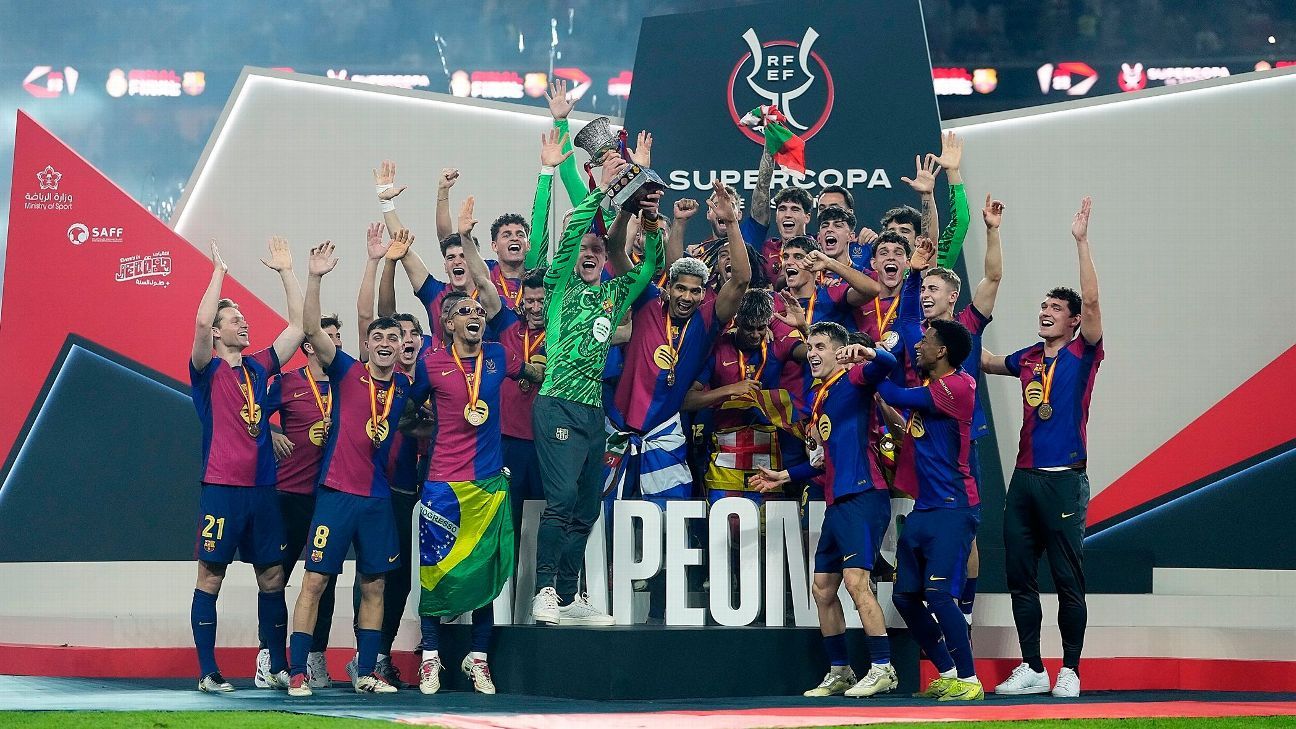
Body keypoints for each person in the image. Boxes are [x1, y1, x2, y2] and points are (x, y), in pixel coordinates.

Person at [286, 241, 430, 697]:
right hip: (336, 493)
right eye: (378, 339)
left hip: (377, 499)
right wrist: (315, 277)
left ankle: (366, 669)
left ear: (403, 346)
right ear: (367, 344)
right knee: (315, 580)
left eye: (394, 339)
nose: (386, 344)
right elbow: (312, 327)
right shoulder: (348, 372)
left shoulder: (405, 387)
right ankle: (297, 671)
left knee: (374, 584)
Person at [530, 145, 661, 626]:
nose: (589, 254)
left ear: (606, 257)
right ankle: (544, 591)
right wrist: (599, 191)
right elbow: (566, 234)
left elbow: (648, 268)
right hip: (557, 404)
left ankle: (569, 597)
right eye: (584, 249)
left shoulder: (612, 294)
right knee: (561, 501)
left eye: (597, 250)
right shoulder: (560, 286)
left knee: (587, 508)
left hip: (592, 412)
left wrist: (650, 224)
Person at [986, 197, 1103, 699]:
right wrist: (952, 323)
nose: (1046, 312)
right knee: (1020, 576)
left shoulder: (1084, 351)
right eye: (1043, 306)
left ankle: (1070, 669)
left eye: (1056, 308)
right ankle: (1033, 666)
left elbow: (1092, 303)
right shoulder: (1030, 357)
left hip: (1064, 480)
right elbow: (986, 361)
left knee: (1067, 579)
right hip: (1024, 480)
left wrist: (1081, 241)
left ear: (1074, 321)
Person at [751, 323, 899, 698]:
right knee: (822, 589)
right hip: (837, 500)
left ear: (839, 351)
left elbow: (888, 364)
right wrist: (783, 476)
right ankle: (840, 671)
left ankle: (883, 668)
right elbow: (822, 464)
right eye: (809, 347)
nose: (812, 354)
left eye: (820, 347)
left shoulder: (854, 381)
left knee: (856, 582)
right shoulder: (821, 398)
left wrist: (869, 353)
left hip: (863, 495)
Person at [415, 291, 545, 695]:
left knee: (484, 575)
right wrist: (428, 428)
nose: (475, 315)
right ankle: (430, 656)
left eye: (478, 311)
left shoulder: (499, 356)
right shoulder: (431, 364)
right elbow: (404, 408)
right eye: (463, 311)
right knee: (436, 572)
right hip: (443, 484)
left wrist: (548, 368)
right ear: (448, 324)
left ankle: (479, 658)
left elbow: (533, 373)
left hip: (487, 484)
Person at [189, 237, 304, 693]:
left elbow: (298, 327)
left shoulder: (258, 367)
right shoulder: (206, 370)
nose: (244, 322)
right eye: (235, 319)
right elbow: (201, 321)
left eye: (243, 318)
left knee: (273, 576)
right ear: (218, 333)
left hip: (262, 491)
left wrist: (287, 271)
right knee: (211, 576)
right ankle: (207, 672)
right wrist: (219, 272)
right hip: (222, 488)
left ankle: (276, 665)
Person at [893, 196, 1005, 626]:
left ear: (953, 296)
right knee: (922, 518)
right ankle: (930, 596)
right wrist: (914, 273)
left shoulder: (967, 328)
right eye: (924, 290)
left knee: (962, 530)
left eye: (933, 289)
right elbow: (905, 311)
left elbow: (993, 277)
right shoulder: (914, 334)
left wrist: (992, 232)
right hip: (919, 439)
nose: (926, 295)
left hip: (960, 442)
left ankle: (964, 610)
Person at [603, 180, 751, 505]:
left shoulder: (708, 319)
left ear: (703, 294)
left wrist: (732, 222)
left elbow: (741, 280)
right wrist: (628, 208)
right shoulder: (646, 300)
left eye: (696, 291)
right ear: (668, 288)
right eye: (680, 288)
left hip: (664, 435)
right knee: (607, 519)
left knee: (667, 519)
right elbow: (614, 250)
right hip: (617, 428)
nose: (687, 297)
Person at [874, 318, 982, 701]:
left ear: (943, 351)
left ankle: (970, 680)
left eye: (927, 341)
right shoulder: (933, 383)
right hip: (924, 508)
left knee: (937, 595)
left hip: (953, 508)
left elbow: (890, 391)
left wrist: (873, 357)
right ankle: (949, 672)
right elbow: (907, 324)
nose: (919, 345)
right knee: (904, 597)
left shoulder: (957, 386)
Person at [256, 311, 343, 689]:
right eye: (330, 336)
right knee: (275, 577)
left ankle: (315, 657)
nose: (336, 343)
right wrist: (271, 433)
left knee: (325, 581)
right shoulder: (287, 383)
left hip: (330, 497)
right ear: (308, 345)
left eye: (338, 337)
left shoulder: (348, 383)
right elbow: (249, 414)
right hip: (289, 495)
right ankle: (269, 655)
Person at [759, 187, 813, 284]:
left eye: (795, 209)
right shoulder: (766, 249)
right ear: (776, 216)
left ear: (807, 217)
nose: (787, 215)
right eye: (782, 209)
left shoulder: (818, 250)